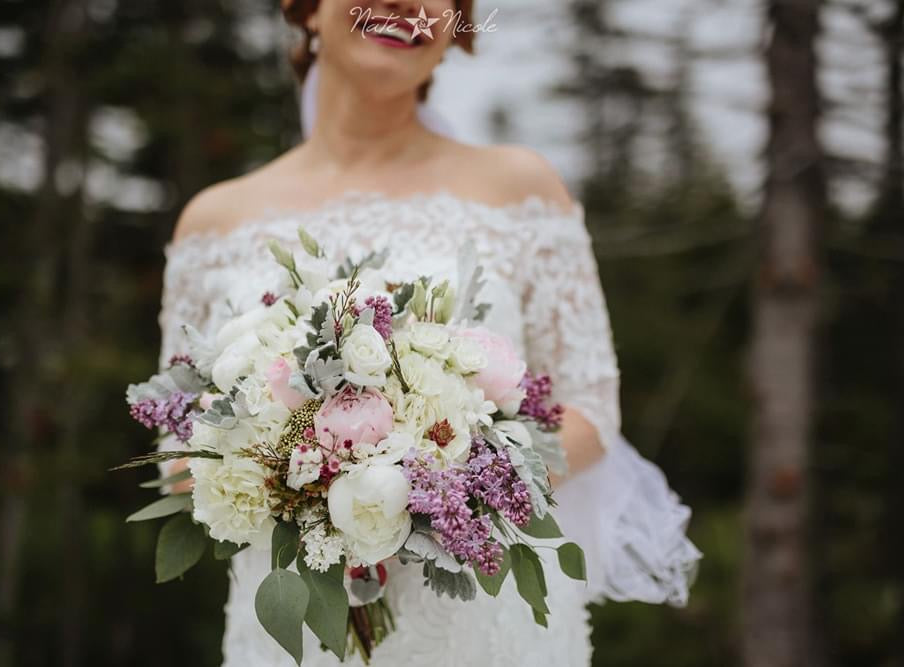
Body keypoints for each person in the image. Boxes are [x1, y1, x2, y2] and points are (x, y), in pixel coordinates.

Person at [159, 1, 700, 664]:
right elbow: (177, 451)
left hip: (483, 624)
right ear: (306, 10)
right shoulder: (215, 221)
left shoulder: (520, 190)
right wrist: (302, 475)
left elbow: (591, 408)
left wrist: (438, 481)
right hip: (297, 627)